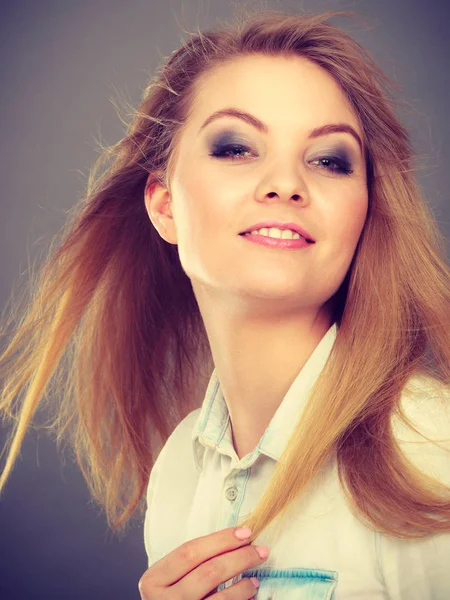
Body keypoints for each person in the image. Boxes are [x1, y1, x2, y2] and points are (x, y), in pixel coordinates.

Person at [1, 6, 449, 600]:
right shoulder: (179, 474)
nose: (287, 182)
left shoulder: (427, 446)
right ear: (164, 206)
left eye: (329, 160)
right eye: (237, 148)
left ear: (364, 210)